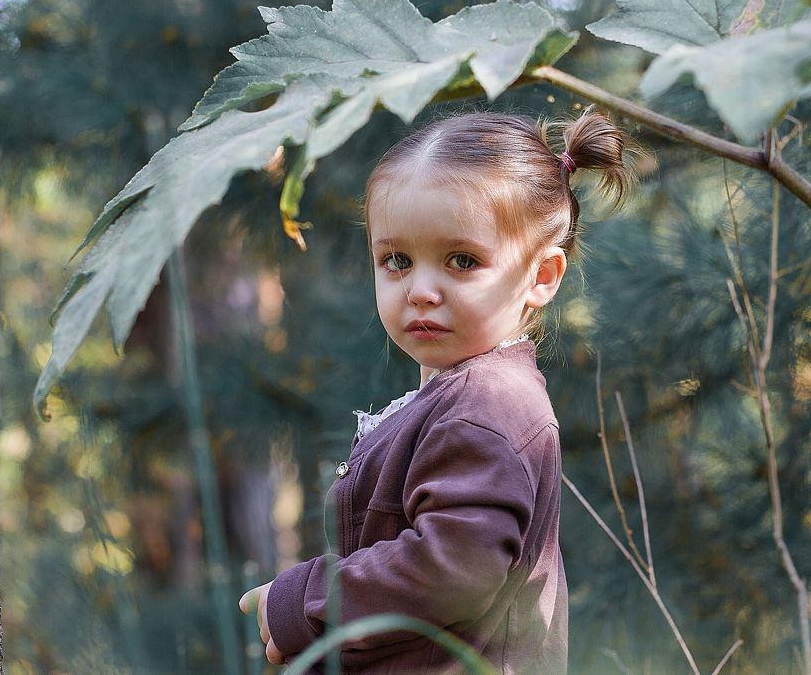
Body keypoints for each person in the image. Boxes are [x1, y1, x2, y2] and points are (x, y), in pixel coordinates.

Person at [240, 108, 635, 674]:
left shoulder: (488, 407)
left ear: (542, 276)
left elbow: (453, 570)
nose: (422, 290)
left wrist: (304, 601)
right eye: (396, 260)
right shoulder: (464, 397)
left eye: (462, 260)